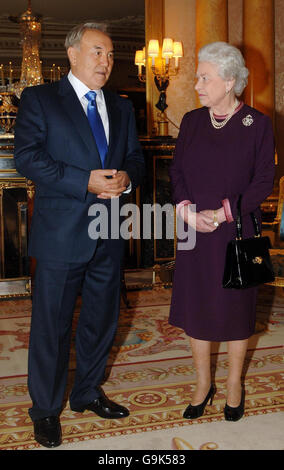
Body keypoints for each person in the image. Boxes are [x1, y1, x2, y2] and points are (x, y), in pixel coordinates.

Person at [14, 23, 144, 448]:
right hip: (60, 231)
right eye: (97, 52)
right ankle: (46, 410)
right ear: (73, 54)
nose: (106, 61)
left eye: (109, 54)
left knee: (101, 319)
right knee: (51, 324)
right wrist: (82, 181)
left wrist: (127, 177)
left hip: (108, 230)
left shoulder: (122, 106)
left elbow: (135, 160)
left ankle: (86, 392)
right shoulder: (40, 99)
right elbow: (27, 157)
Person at [169, 42, 275, 422]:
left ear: (230, 81)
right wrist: (186, 210)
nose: (197, 84)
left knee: (234, 310)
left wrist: (224, 213)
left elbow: (265, 180)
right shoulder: (193, 121)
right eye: (198, 76)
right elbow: (176, 172)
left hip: (237, 232)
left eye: (205, 77)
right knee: (196, 307)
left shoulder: (258, 125)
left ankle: (233, 383)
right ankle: (202, 383)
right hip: (194, 229)